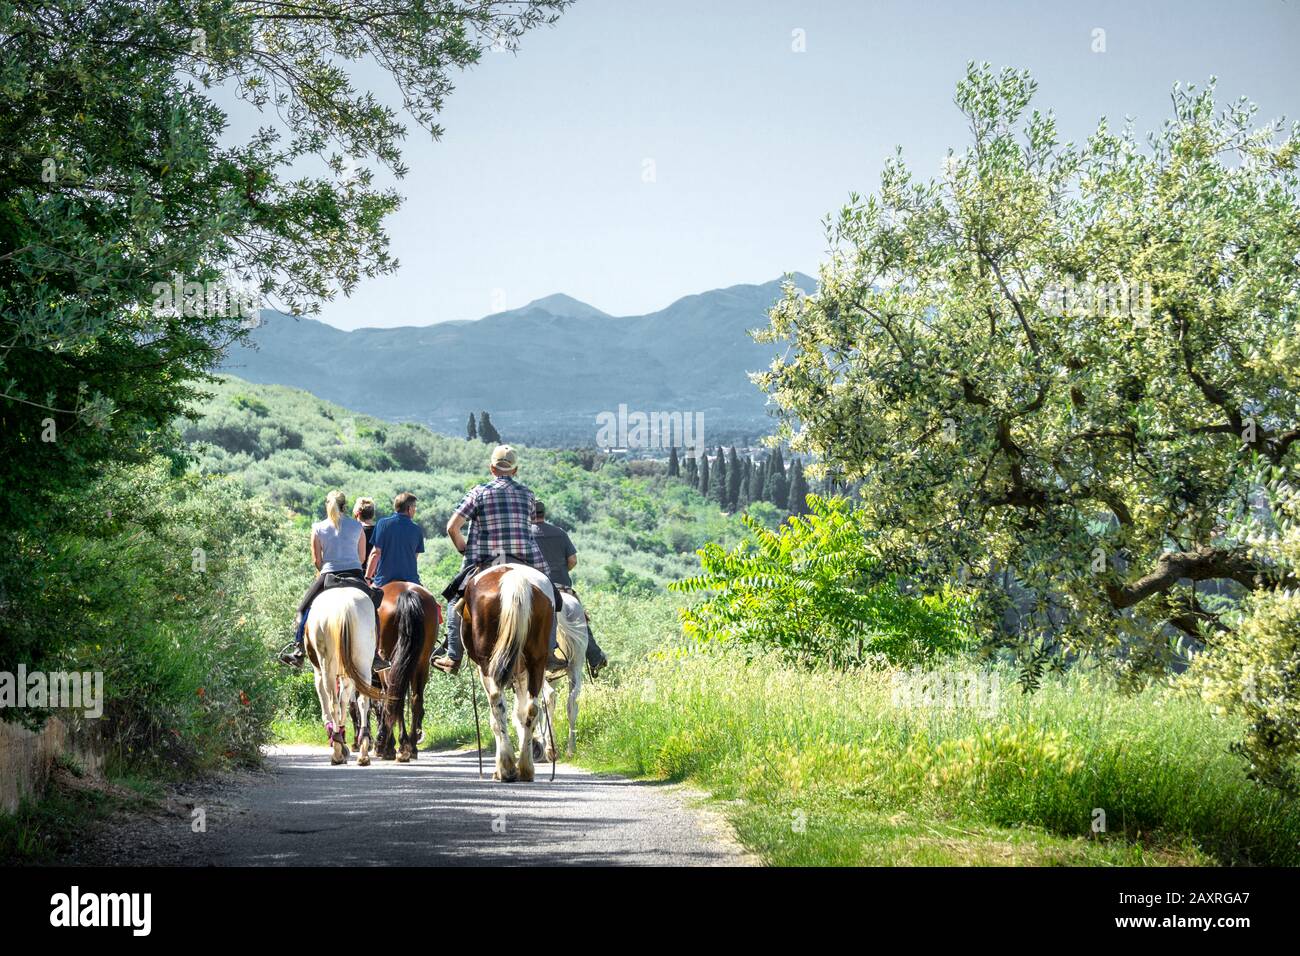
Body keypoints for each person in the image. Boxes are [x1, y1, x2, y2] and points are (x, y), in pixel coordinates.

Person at [433, 445, 555, 675]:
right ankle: (550, 652)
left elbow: (452, 527)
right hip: (524, 560)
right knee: (551, 596)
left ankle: (453, 656)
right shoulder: (528, 495)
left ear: (492, 468)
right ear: (515, 470)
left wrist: (463, 548)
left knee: (454, 601)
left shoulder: (478, 493)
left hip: (487, 560)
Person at [279, 490, 387, 671]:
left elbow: (316, 561)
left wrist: (328, 567)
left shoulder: (318, 527)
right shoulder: (356, 527)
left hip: (328, 575)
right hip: (355, 575)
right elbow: (361, 558)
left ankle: (298, 651)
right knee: (372, 610)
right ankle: (375, 654)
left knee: (303, 609)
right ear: (345, 506)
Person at [531, 501, 608, 678]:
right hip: (562, 586)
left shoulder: (525, 534)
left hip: (537, 589)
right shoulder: (560, 533)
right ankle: (595, 657)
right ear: (544, 513)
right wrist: (562, 571)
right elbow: (572, 560)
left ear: (530, 513)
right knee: (580, 619)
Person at [364, 491, 426, 589]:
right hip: (411, 581)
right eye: (414, 506)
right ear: (409, 509)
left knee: (366, 602)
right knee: (432, 602)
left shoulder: (382, 524)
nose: (415, 509)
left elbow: (375, 554)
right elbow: (414, 558)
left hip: (384, 581)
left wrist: (367, 578)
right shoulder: (417, 530)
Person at [354, 496, 378, 564]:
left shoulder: (355, 532)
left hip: (358, 570)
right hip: (377, 571)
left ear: (358, 514)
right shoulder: (380, 531)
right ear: (373, 515)